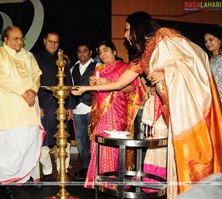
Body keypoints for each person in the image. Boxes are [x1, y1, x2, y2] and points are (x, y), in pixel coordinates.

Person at [72, 11, 222, 198]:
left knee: (194, 157)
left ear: (138, 27)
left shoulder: (165, 36)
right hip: (171, 111)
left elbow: (197, 58)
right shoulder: (143, 57)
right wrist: (85, 88)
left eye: (127, 29)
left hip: (189, 110)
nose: (125, 35)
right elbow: (119, 84)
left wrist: (166, 73)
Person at [0, 26, 44, 199]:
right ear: (5, 39)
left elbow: (37, 75)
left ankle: (24, 177)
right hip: (8, 110)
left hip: (28, 109)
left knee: (28, 144)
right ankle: (6, 182)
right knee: (9, 147)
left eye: (21, 38)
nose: (19, 42)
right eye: (15, 38)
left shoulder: (29, 56)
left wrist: (33, 91)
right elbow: (1, 78)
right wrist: (24, 91)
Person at [83, 40, 145, 188]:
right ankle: (99, 182)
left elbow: (131, 89)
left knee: (113, 148)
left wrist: (108, 81)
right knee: (97, 146)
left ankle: (112, 184)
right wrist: (93, 86)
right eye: (100, 52)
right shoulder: (99, 69)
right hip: (100, 114)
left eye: (106, 50)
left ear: (115, 52)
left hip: (117, 113)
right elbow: (97, 94)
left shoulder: (125, 68)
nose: (103, 55)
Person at [34, 29, 75, 179]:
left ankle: (62, 169)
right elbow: (33, 84)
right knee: (43, 141)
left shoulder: (62, 59)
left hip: (62, 106)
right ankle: (48, 171)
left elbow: (69, 83)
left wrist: (70, 106)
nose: (53, 44)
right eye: (50, 41)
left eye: (56, 41)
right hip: (44, 106)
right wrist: (37, 106)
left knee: (65, 138)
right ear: (44, 41)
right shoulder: (36, 58)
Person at [70, 42, 98, 179]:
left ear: (90, 52)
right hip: (77, 109)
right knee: (80, 141)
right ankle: (85, 168)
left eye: (85, 51)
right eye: (79, 51)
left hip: (91, 108)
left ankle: (95, 168)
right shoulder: (72, 68)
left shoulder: (97, 66)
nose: (82, 53)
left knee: (92, 139)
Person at [204, 28, 222, 101]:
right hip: (210, 95)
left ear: (220, 40)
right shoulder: (207, 59)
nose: (208, 43)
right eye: (206, 41)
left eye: (211, 39)